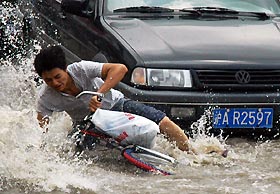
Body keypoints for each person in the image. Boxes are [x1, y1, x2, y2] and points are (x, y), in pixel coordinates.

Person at [34, 45, 227, 156]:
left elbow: (120, 68)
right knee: (80, 156)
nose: (55, 83)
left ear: (65, 68)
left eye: (58, 76)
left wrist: (99, 94)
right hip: (87, 124)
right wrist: (43, 145)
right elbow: (42, 123)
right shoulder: (45, 97)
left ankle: (193, 154)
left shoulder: (81, 69)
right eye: (48, 80)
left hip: (117, 105)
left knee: (162, 121)